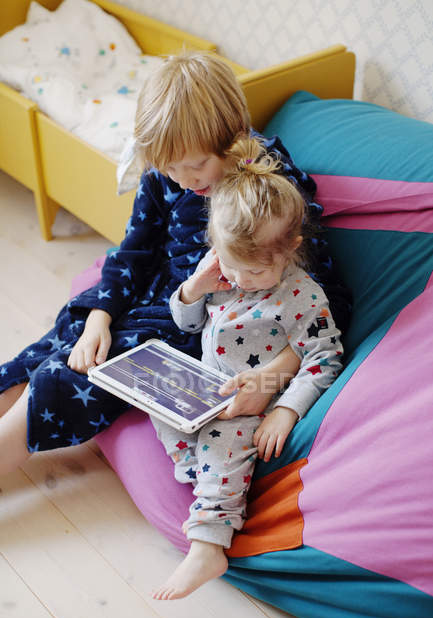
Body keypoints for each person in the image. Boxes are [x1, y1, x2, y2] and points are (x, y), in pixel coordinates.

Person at [0, 51, 350, 480]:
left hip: (199, 328)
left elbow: (324, 301)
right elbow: (132, 253)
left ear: (233, 137)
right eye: (170, 168)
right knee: (51, 348)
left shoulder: (269, 190)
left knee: (59, 380)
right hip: (161, 296)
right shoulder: (163, 177)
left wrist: (271, 378)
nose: (184, 179)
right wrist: (98, 318)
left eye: (197, 165)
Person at [150, 135, 343, 600]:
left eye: (255, 274)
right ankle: (207, 474)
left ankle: (208, 543)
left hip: (251, 405)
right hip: (206, 387)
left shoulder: (301, 296)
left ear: (291, 248)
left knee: (225, 435)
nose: (240, 282)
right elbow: (185, 323)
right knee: (156, 400)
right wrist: (194, 289)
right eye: (233, 268)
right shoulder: (222, 269)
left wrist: (285, 409)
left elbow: (325, 357)